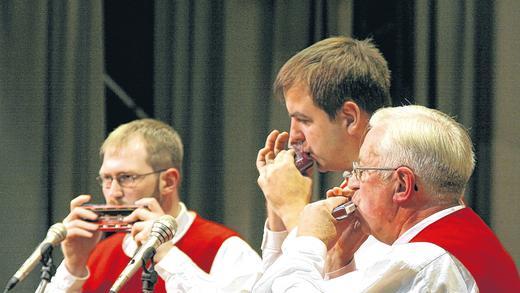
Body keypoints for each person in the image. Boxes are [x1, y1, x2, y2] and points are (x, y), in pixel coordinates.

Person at [253, 105, 520, 292]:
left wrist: (306, 238)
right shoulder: (463, 238)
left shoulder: (422, 261)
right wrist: (339, 260)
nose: (351, 183)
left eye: (362, 170)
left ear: (402, 184)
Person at [47, 119, 262, 292]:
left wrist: (166, 255)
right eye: (106, 179)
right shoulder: (99, 255)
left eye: (127, 177)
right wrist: (73, 267)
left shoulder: (226, 249)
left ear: (168, 181)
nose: (113, 193)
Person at [256, 36, 392, 276]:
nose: (293, 137)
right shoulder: (357, 185)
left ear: (349, 118)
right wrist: (277, 207)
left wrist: (293, 209)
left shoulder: (393, 201)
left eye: (304, 120)